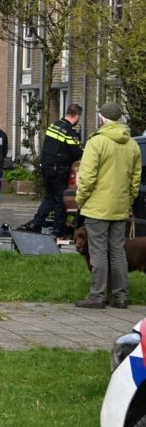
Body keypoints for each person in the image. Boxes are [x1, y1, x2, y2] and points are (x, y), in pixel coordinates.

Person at [73, 102, 142, 309]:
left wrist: (80, 199)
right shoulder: (132, 144)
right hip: (120, 207)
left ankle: (97, 296)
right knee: (118, 251)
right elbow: (135, 180)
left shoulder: (97, 142)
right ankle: (120, 297)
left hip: (97, 207)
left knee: (98, 251)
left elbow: (87, 177)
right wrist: (128, 201)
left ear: (102, 119)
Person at [22, 104, 83, 234]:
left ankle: (36, 223)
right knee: (60, 200)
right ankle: (57, 229)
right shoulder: (70, 132)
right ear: (77, 116)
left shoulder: (53, 126)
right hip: (59, 170)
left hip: (46, 167)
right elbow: (77, 153)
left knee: (49, 197)